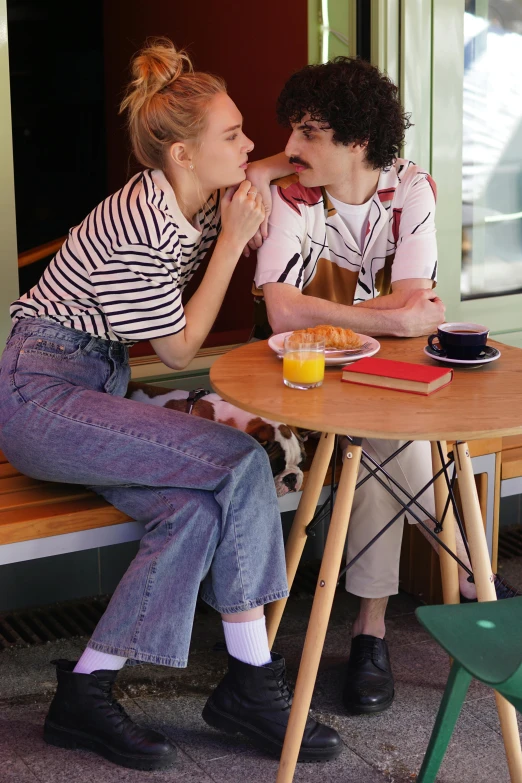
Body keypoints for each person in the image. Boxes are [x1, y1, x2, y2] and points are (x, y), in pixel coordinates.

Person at [0, 39, 341, 771]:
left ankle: (85, 691)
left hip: (96, 389)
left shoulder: (190, 184)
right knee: (239, 459)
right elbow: (182, 351)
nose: (247, 145)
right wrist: (233, 247)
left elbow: (256, 169)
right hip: (43, 395)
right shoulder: (140, 227)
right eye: (232, 134)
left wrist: (317, 155)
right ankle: (252, 681)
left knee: (191, 507)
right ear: (183, 155)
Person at [252, 55, 519, 717]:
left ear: (359, 142)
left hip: (377, 376)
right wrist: (386, 315)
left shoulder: (411, 190)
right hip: (291, 381)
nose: (290, 147)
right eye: (293, 128)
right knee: (392, 436)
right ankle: (455, 571)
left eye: (310, 132)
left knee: (387, 431)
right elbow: (282, 316)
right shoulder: (294, 194)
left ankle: (371, 630)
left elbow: (410, 315)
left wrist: (380, 318)